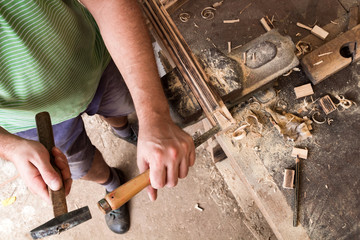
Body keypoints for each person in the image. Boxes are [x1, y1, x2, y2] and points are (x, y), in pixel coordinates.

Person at [0, 0, 195, 234]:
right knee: (79, 165)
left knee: (121, 106)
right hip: (27, 121)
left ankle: (125, 131)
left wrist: (154, 115)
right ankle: (113, 184)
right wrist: (10, 147)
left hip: (94, 60)